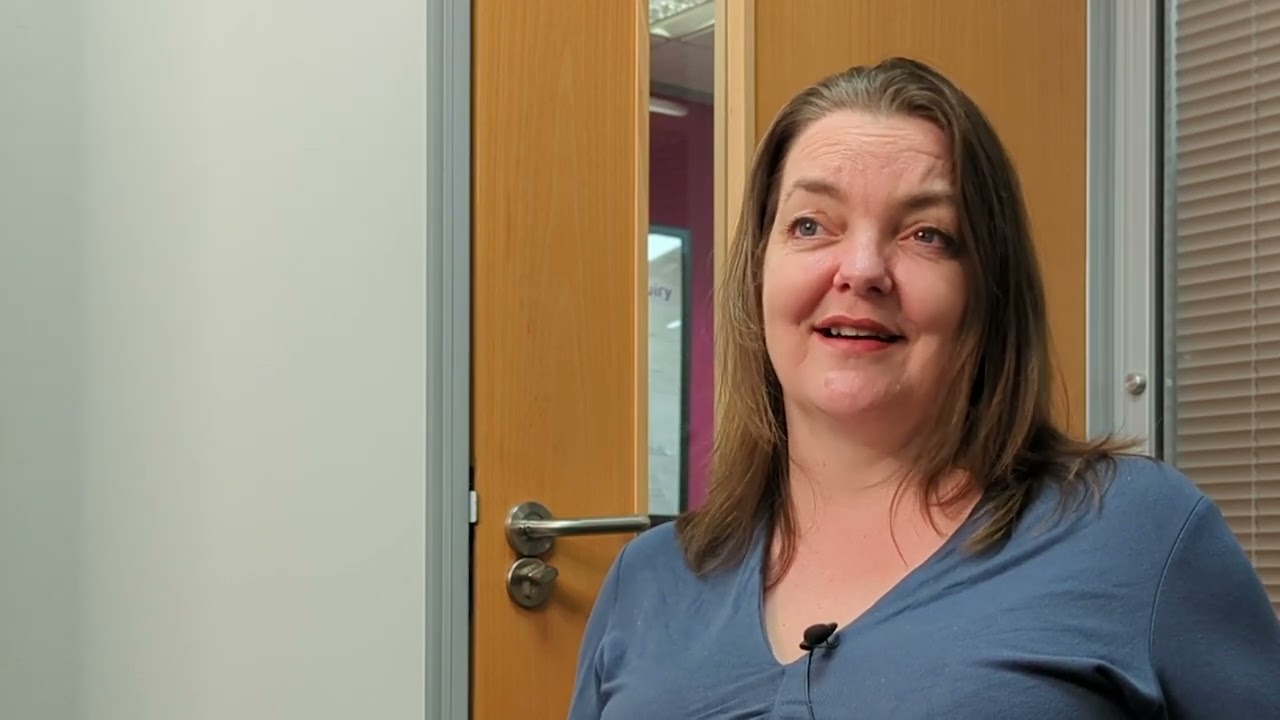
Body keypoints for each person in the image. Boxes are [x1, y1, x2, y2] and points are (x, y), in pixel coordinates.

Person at [567, 57, 1280, 719]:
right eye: (811, 225)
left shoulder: (1137, 535)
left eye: (926, 235)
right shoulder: (648, 581)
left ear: (987, 290)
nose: (862, 269)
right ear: (759, 272)